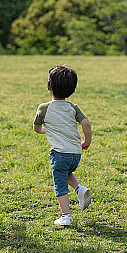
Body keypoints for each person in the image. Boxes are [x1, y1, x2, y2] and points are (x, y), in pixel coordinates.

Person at [33, 64, 92, 226]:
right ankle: (80, 189)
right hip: (75, 153)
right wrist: (87, 141)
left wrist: (44, 130)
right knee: (65, 172)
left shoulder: (44, 108)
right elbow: (86, 123)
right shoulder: (73, 108)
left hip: (59, 153)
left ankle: (65, 215)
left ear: (49, 87)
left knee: (59, 185)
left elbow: (37, 127)